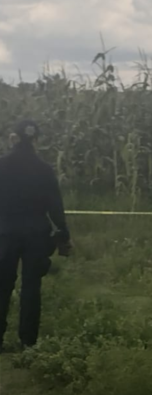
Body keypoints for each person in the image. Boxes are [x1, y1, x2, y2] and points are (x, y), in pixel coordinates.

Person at [0, 120, 71, 352]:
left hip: (6, 234)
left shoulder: (2, 166)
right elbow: (55, 206)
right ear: (36, 140)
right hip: (36, 235)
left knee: (2, 286)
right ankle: (28, 342)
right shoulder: (44, 169)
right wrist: (63, 233)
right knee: (31, 288)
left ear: (14, 138)